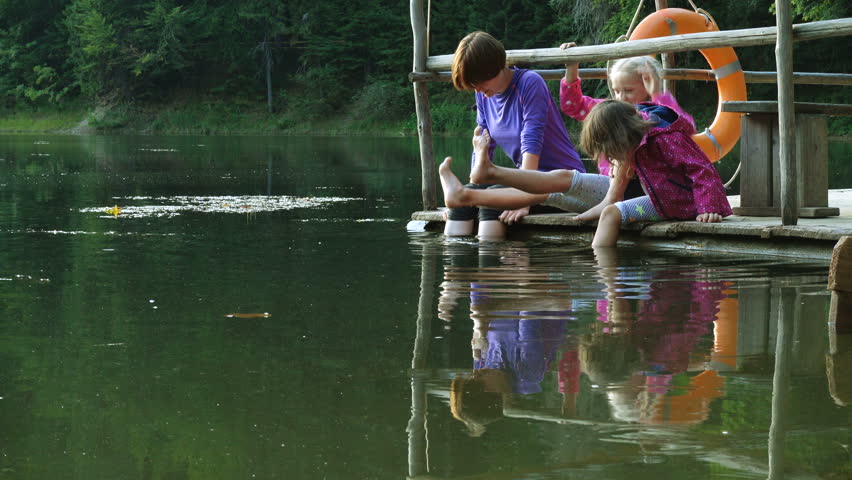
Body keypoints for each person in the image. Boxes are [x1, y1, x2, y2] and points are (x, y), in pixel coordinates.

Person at [441, 99, 732, 247]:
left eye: (610, 151)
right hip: (657, 199)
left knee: (570, 189)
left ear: (621, 137)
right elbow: (616, 189)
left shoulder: (664, 139)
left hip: (672, 204)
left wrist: (707, 208)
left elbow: (702, 171)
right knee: (559, 185)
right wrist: (595, 210)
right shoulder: (638, 139)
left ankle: (601, 270)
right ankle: (478, 185)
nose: (609, 157)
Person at [443, 31, 585, 239]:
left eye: (481, 81)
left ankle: (491, 266)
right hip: (527, 180)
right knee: (467, 204)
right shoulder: (483, 95)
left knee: (491, 203)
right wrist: (468, 195)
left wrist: (524, 198)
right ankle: (454, 268)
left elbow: (532, 138)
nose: (479, 89)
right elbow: (483, 145)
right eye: (473, 85)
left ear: (496, 66)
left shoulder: (529, 82)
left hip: (562, 183)